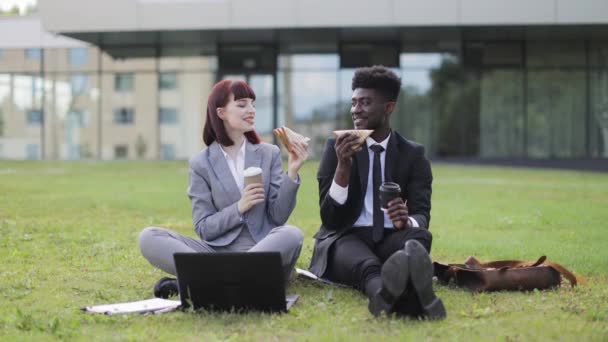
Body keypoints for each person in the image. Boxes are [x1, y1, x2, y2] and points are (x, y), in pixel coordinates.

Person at [139, 79, 308, 298]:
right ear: (221, 112)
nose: (251, 110)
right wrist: (239, 208)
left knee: (292, 234)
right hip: (215, 254)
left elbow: (278, 216)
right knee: (149, 236)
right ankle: (232, 281)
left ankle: (204, 283)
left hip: (262, 248)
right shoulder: (201, 163)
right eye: (242, 104)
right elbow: (204, 227)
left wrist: (292, 171)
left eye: (252, 104)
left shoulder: (269, 153)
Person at [308, 66, 446, 319]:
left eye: (365, 102)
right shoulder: (336, 147)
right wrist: (343, 166)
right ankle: (402, 297)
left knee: (418, 238)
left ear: (388, 107)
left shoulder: (413, 154)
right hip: (346, 237)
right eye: (354, 102)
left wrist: (406, 219)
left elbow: (422, 213)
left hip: (391, 235)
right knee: (368, 266)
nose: (355, 109)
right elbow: (330, 219)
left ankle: (403, 282)